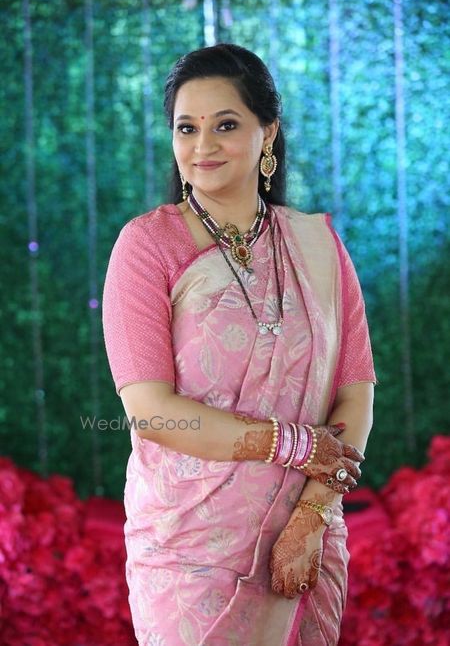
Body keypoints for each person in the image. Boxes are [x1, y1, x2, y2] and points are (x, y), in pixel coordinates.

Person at [102, 43, 376, 646]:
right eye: (187, 128)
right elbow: (151, 412)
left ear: (267, 132)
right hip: (189, 554)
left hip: (304, 542)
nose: (203, 145)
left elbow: (355, 396)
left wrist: (312, 515)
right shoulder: (148, 247)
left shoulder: (320, 249)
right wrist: (296, 445)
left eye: (225, 125)